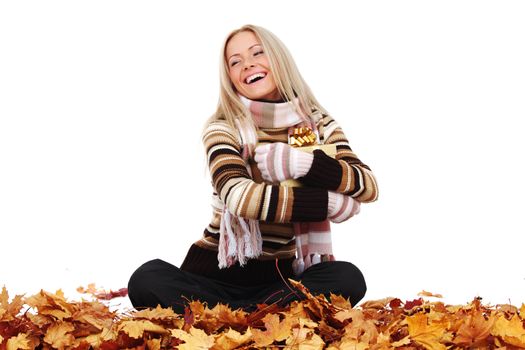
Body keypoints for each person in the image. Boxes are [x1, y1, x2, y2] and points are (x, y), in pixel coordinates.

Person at [127, 24, 378, 314]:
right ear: (231, 78)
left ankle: (234, 315)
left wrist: (301, 163)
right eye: (235, 62)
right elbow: (240, 198)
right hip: (211, 277)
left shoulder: (321, 126)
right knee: (146, 278)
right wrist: (328, 203)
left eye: (258, 53)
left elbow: (367, 185)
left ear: (278, 58)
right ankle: (259, 316)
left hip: (278, 279)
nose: (248, 64)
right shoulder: (222, 128)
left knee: (348, 278)